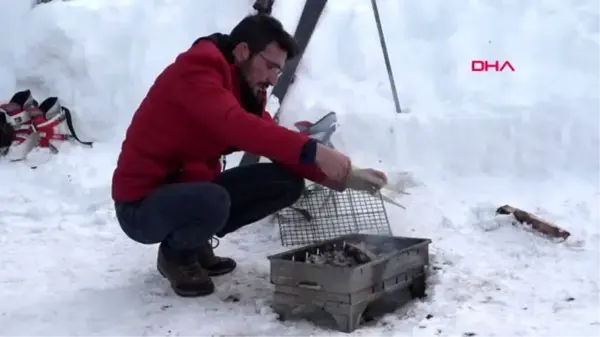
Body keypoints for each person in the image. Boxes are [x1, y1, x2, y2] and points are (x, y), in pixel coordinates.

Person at [111, 13, 388, 298]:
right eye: (269, 66)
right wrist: (315, 150)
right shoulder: (198, 71)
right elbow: (236, 125)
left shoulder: (243, 88)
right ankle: (176, 255)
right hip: (141, 206)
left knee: (285, 182)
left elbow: (271, 137)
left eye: (278, 71)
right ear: (242, 51)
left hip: (187, 191)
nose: (272, 78)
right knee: (213, 200)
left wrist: (343, 176)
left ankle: (194, 241)